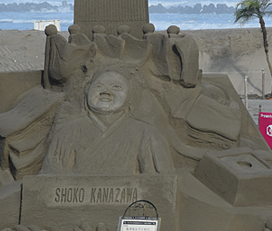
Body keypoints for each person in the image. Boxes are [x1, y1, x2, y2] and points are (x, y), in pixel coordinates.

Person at [41, 69, 173, 175]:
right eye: (98, 86)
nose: (105, 92)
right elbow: (47, 185)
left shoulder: (147, 135)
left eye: (116, 87)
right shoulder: (67, 133)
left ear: (130, 95)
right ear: (87, 90)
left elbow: (160, 186)